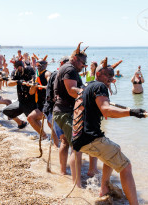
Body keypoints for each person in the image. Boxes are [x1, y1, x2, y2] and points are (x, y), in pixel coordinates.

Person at [72, 57, 146, 205]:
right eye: (108, 75)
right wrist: (131, 112)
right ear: (98, 74)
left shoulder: (87, 85)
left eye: (112, 76)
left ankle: (104, 188)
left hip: (78, 138)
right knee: (126, 166)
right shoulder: (100, 86)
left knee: (114, 149)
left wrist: (118, 111)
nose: (111, 79)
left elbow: (101, 110)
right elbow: (106, 110)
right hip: (90, 138)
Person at [53, 42, 89, 186]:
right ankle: (77, 184)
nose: (83, 66)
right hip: (65, 112)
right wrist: (88, 92)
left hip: (61, 111)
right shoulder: (70, 69)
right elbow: (71, 90)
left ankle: (63, 172)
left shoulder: (65, 67)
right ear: (75, 58)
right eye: (82, 63)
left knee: (66, 142)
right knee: (77, 146)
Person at [43, 56, 69, 173]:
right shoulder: (56, 75)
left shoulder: (71, 75)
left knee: (67, 139)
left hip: (63, 110)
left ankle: (67, 166)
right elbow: (54, 96)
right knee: (64, 140)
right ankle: (63, 171)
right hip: (53, 109)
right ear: (62, 64)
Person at [2, 60, 35, 128]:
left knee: (33, 119)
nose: (19, 69)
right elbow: (9, 83)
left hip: (31, 101)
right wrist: (18, 82)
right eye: (18, 67)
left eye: (20, 67)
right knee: (6, 111)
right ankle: (21, 123)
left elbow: (34, 79)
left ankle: (44, 135)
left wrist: (30, 82)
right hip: (20, 101)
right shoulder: (15, 72)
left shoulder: (29, 69)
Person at [27, 57, 52, 140]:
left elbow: (49, 81)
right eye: (37, 65)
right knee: (32, 118)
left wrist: (48, 85)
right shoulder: (36, 76)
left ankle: (50, 138)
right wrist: (33, 86)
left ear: (46, 65)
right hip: (40, 104)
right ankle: (45, 136)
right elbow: (31, 92)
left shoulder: (47, 73)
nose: (38, 67)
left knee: (31, 118)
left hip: (47, 104)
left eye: (40, 65)